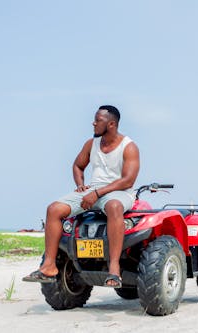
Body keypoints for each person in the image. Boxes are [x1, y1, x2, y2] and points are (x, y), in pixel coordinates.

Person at [23, 105, 140, 288]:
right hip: (92, 190)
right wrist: (81, 186)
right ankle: (49, 267)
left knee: (114, 207)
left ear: (111, 124)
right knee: (53, 209)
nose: (93, 123)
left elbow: (128, 181)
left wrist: (97, 193)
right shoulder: (91, 144)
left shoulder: (129, 146)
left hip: (119, 192)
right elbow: (78, 165)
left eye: (97, 120)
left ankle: (114, 269)